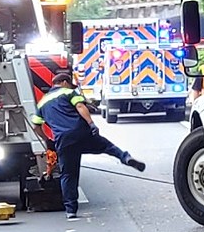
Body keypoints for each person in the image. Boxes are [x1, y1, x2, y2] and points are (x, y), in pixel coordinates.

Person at [35, 70, 145, 218]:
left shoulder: (42, 102)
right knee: (108, 147)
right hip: (81, 132)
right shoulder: (68, 93)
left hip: (63, 139)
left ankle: (70, 210)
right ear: (64, 83)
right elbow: (80, 107)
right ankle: (125, 158)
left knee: (68, 175)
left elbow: (36, 126)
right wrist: (91, 124)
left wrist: (47, 140)